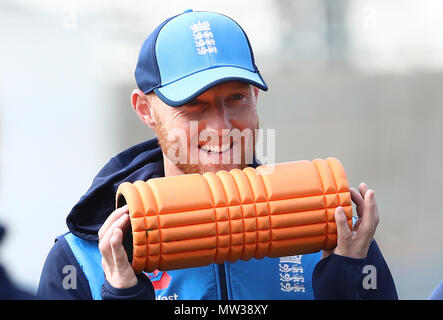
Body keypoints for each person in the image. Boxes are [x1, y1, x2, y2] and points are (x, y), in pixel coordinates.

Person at [37, 10, 397, 300]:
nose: (222, 127)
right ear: (145, 110)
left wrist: (346, 282)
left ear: (256, 97)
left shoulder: (330, 233)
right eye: (194, 105)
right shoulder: (80, 261)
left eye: (237, 98)